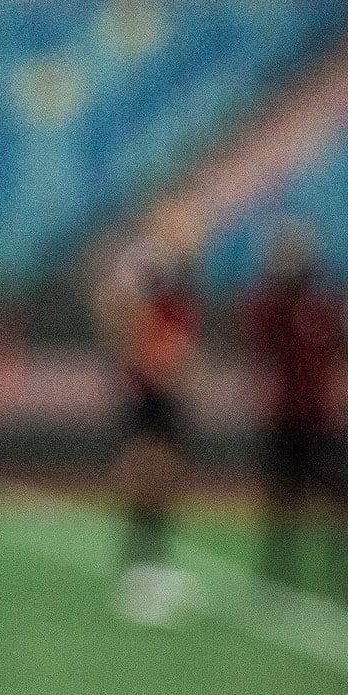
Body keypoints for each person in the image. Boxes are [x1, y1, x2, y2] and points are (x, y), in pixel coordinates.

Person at [96, 201, 201, 624]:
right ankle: (139, 571)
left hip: (162, 381)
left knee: (165, 473)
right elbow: (115, 304)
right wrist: (146, 355)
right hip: (152, 383)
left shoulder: (171, 267)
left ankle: (148, 567)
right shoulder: (150, 263)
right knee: (151, 471)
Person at [240, 222, 348, 589]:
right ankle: (278, 568)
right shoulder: (273, 304)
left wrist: (343, 396)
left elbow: (340, 354)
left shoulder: (322, 303)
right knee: (284, 495)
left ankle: (342, 566)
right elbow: (258, 353)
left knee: (335, 490)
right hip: (286, 414)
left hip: (321, 415)